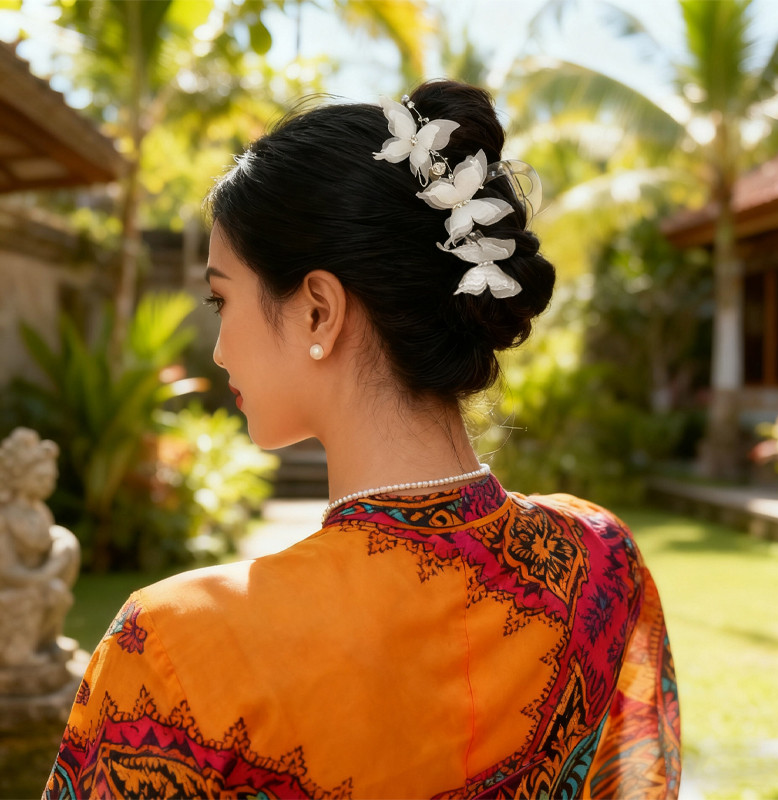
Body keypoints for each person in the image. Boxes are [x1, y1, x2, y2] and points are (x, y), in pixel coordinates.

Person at [44, 80, 680, 798]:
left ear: (319, 310)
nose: (218, 349)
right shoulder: (601, 562)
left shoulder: (171, 653)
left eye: (222, 300)